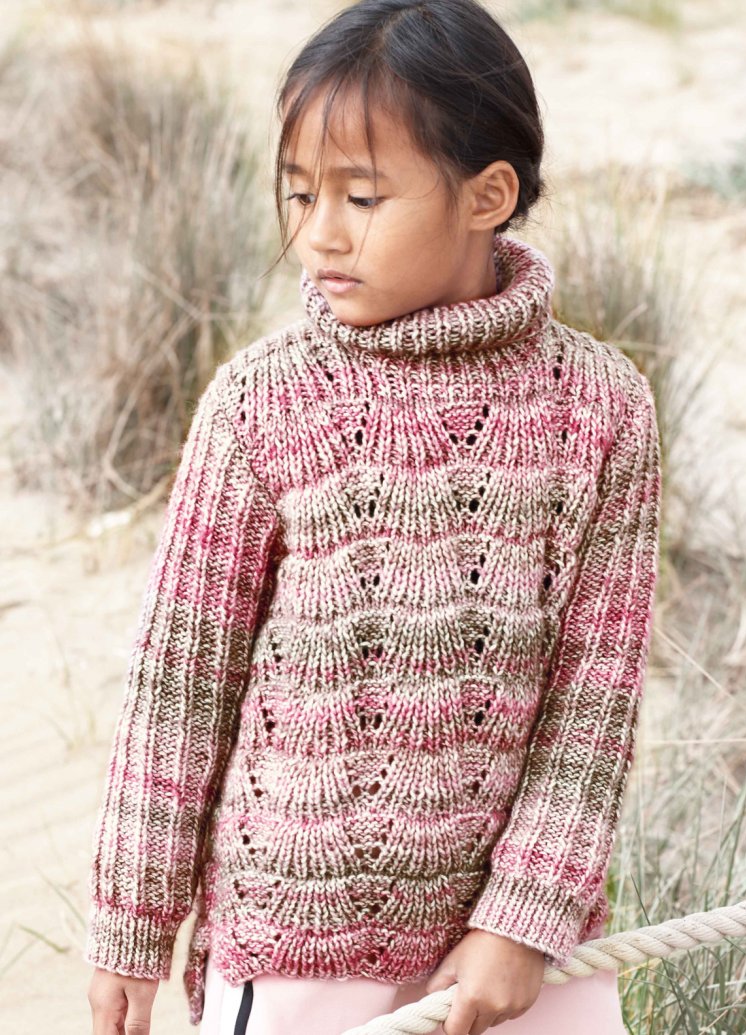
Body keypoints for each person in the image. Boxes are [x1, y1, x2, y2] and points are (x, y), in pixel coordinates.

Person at [84, 1, 662, 1033]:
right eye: (299, 193)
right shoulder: (262, 402)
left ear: (487, 196)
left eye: (361, 196)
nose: (319, 233)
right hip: (301, 947)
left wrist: (523, 920)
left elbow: (595, 697)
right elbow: (179, 687)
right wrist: (132, 924)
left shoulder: (601, 406)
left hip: (521, 953)